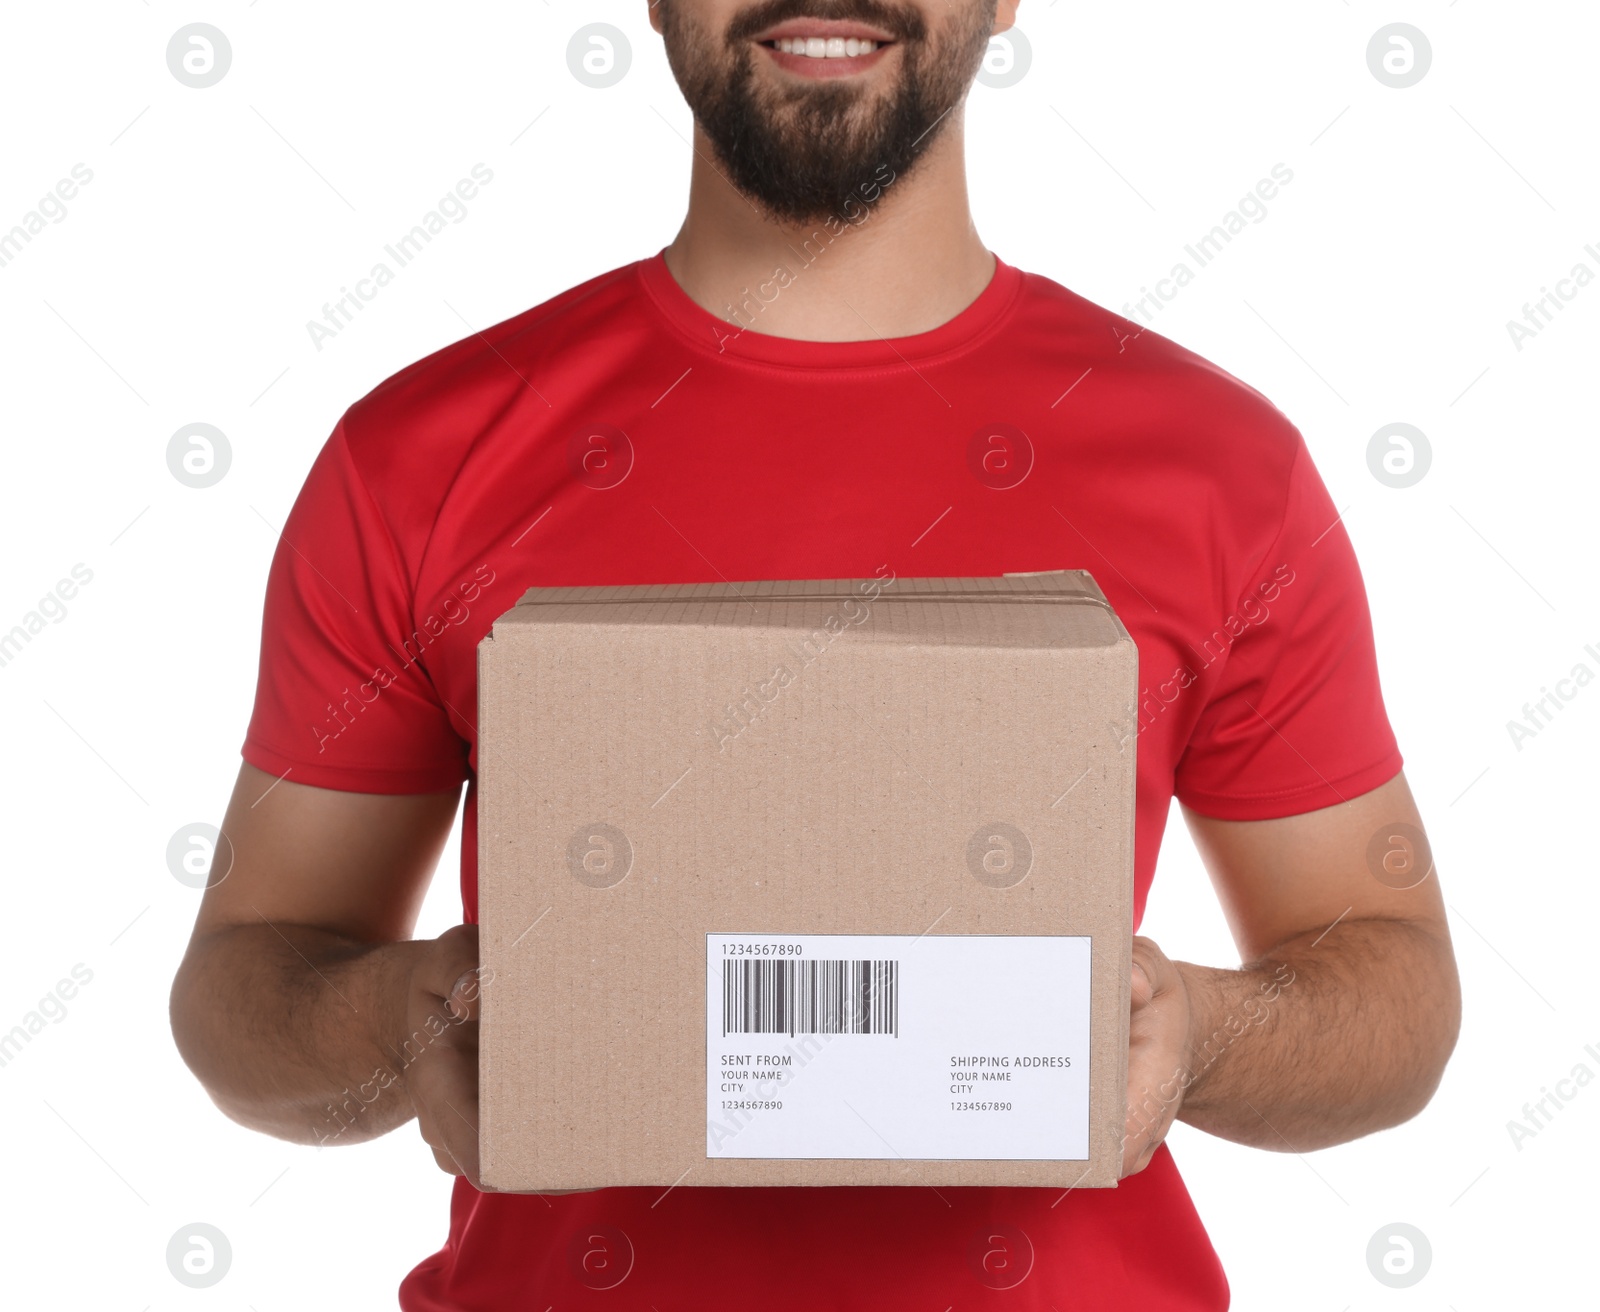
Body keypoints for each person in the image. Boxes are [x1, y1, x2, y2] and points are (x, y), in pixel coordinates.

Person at [169, 1, 1461, 1306]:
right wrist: (401, 1018)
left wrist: (1200, 1034)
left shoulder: (1218, 469)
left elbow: (1393, 984)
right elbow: (247, 979)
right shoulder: (421, 460)